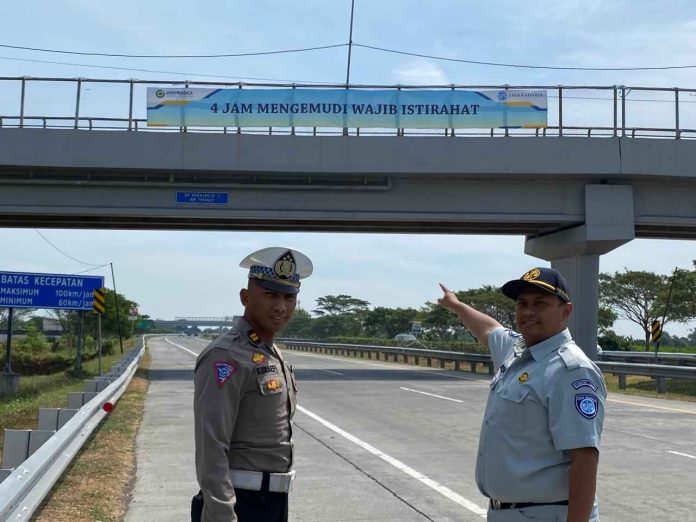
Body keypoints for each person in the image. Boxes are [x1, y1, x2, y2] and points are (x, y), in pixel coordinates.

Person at [438, 267, 606, 522]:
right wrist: (457, 305)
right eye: (522, 303)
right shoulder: (517, 350)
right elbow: (488, 329)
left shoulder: (571, 370)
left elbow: (584, 457)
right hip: (506, 513)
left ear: (566, 311)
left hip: (548, 515)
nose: (528, 312)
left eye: (540, 304)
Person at [192, 247, 312, 522]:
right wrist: (222, 514)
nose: (280, 306)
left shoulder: (272, 352)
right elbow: (211, 446)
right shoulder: (227, 356)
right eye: (270, 294)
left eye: (288, 297)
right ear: (245, 297)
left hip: (272, 503)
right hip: (239, 504)